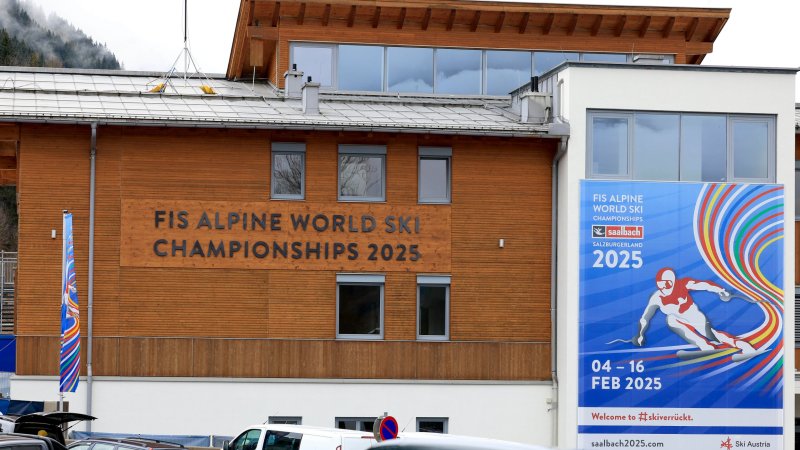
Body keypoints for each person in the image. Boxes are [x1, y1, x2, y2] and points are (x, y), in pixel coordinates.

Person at [633, 267, 755, 356]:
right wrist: (640, 334)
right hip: (678, 320)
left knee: (713, 335)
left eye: (667, 284)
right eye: (660, 284)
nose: (663, 288)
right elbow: (645, 318)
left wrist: (721, 290)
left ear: (673, 282)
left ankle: (744, 345)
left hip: (694, 317)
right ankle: (704, 345)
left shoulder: (683, 284)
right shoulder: (657, 298)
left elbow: (704, 285)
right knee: (670, 319)